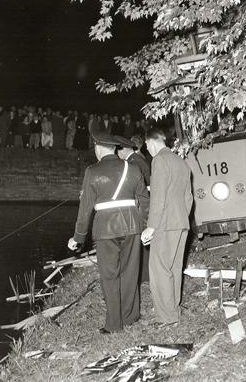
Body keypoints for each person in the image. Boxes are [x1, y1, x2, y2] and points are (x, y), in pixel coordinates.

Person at [67, 131, 149, 334]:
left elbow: (85, 209)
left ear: (99, 148)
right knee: (130, 272)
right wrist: (148, 225)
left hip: (105, 229)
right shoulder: (133, 168)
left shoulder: (92, 171)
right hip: (132, 226)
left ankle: (114, 324)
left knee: (110, 276)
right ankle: (131, 316)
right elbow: (145, 201)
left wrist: (78, 237)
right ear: (114, 148)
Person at [141, 128, 193, 326]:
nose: (147, 149)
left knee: (159, 270)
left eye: (147, 146)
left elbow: (158, 197)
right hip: (181, 223)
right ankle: (174, 311)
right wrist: (181, 217)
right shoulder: (181, 162)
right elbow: (188, 197)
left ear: (152, 142)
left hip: (164, 223)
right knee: (174, 268)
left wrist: (151, 227)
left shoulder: (160, 160)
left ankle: (167, 317)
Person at [115, 135, 152, 284]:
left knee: (140, 242)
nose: (117, 154)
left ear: (123, 150)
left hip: (139, 207)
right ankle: (143, 274)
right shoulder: (136, 160)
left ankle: (143, 275)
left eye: (118, 150)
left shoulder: (134, 163)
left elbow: (140, 188)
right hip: (141, 205)